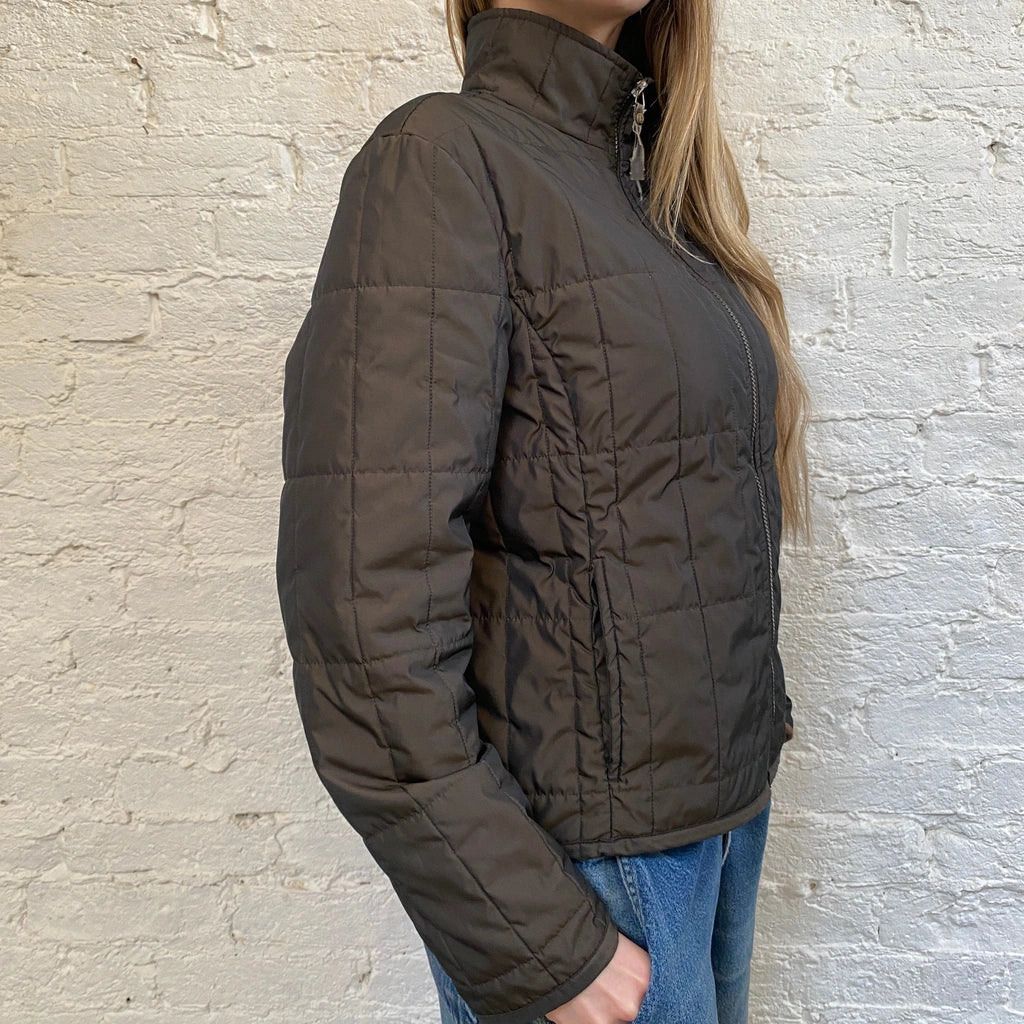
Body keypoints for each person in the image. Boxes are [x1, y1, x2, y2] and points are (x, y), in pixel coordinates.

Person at [275, 1, 811, 1023]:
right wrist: (539, 941)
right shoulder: (440, 161)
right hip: (590, 879)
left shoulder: (651, 194)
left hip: (711, 839)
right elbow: (361, 609)